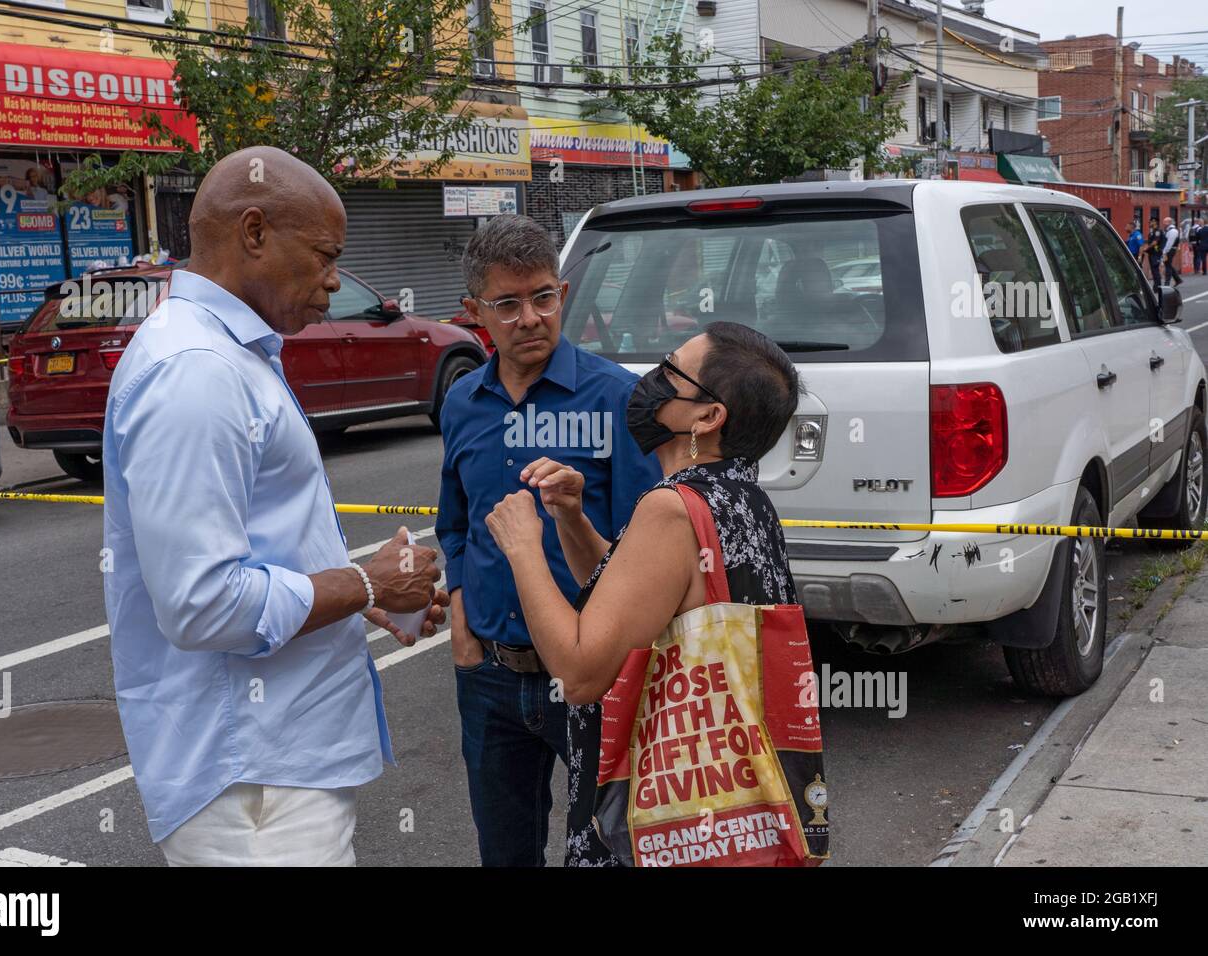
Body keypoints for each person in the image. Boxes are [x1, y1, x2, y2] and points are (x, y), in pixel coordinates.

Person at [103, 145, 448, 866]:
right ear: (253, 232)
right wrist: (365, 583)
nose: (332, 282)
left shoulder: (228, 352)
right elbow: (201, 603)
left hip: (273, 770)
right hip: (252, 783)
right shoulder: (198, 371)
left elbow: (257, 550)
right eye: (324, 255)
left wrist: (357, 602)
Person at [483, 322, 805, 866]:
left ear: (708, 416)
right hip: (721, 807)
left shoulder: (671, 508)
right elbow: (637, 602)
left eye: (670, 370)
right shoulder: (740, 497)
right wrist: (572, 519)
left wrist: (522, 549)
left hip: (654, 817)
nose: (650, 380)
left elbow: (581, 674)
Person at [435, 214, 661, 866]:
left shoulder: (616, 400)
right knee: (505, 854)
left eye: (542, 297)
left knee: (615, 850)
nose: (530, 318)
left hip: (594, 678)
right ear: (475, 311)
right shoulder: (462, 404)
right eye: (507, 304)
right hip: (492, 680)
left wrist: (574, 516)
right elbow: (455, 525)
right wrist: (459, 618)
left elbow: (646, 552)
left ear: (562, 296)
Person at [1163, 216, 1183, 287]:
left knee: (1168, 265)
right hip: (1170, 249)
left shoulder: (1173, 231)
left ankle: (1167, 282)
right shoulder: (1168, 230)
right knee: (1168, 265)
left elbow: (1169, 243)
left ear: (1169, 222)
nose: (1163, 223)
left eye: (1165, 222)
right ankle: (1177, 279)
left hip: (1170, 250)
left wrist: (1165, 251)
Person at [1145, 217, 1164, 285]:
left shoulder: (1158, 231)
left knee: (1155, 269)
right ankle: (1155, 286)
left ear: (1155, 222)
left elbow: (1155, 242)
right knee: (1153, 270)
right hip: (1151, 253)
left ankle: (1158, 286)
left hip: (1156, 252)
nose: (1149, 223)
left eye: (1150, 222)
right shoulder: (1152, 231)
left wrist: (1147, 248)